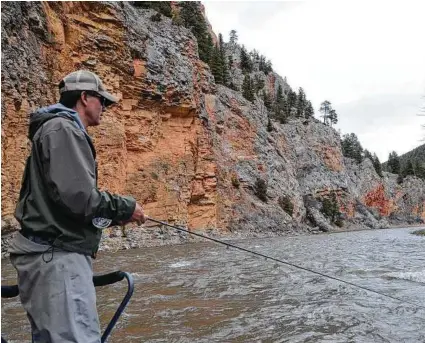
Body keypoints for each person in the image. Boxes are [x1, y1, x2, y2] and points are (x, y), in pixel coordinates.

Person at [8, 70, 146, 343]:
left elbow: (69, 199)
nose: (104, 108)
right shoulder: (63, 129)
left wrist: (115, 215)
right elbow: (79, 198)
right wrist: (125, 208)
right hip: (57, 259)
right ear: (84, 98)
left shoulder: (58, 129)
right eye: (101, 101)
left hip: (50, 256)